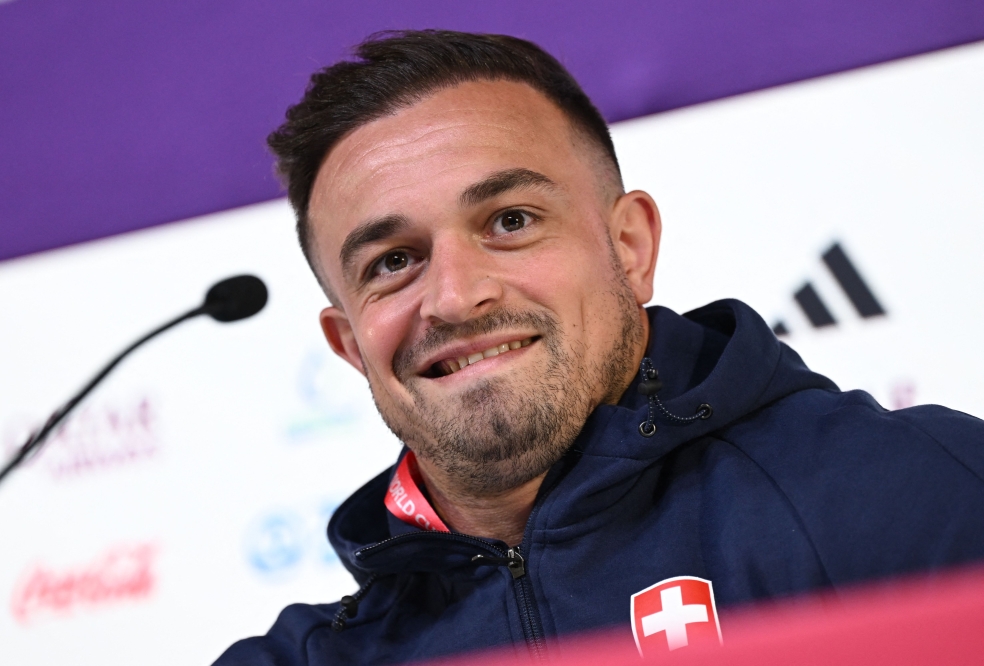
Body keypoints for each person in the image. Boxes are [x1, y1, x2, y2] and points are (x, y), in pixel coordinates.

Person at [215, 30, 984, 665]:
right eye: (392, 262)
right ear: (349, 344)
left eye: (510, 221)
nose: (454, 296)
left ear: (629, 248)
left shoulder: (909, 496)